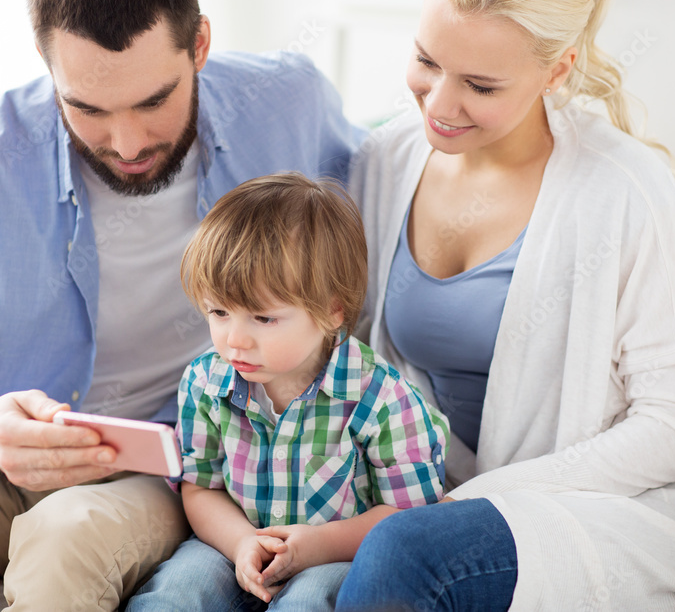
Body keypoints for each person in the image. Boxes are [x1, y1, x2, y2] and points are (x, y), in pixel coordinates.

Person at [0, 0, 364, 610]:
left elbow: (384, 218)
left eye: (153, 100)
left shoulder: (285, 102)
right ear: (47, 67)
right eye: (87, 108)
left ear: (199, 44)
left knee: (64, 536)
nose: (128, 142)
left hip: (171, 467)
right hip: (6, 461)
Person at [336, 0, 675, 610]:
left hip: (594, 512)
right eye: (427, 61)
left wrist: (474, 500)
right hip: (427, 496)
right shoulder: (385, 159)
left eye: (481, 86)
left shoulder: (626, 189)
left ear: (557, 70)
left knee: (404, 549)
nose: (440, 102)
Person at [126, 173, 449, 611]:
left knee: (312, 600)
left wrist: (316, 545)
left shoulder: (381, 398)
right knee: (179, 590)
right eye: (219, 312)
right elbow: (201, 487)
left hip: (334, 554)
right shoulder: (205, 382)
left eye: (263, 318)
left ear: (332, 310)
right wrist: (241, 542)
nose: (235, 340)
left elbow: (408, 518)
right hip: (233, 542)